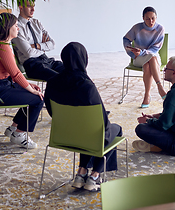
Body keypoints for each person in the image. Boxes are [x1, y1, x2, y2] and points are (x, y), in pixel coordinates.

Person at [44, 42, 123, 192]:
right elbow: (102, 122)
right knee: (114, 130)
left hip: (63, 135)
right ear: (84, 59)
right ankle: (94, 176)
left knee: (85, 130)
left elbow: (51, 111)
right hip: (88, 136)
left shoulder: (52, 82)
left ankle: (81, 173)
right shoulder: (87, 86)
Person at [0, 12, 44, 148]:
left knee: (29, 92)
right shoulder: (3, 48)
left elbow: (12, 74)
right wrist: (29, 88)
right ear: (7, 28)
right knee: (38, 99)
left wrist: (28, 85)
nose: (18, 28)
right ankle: (19, 134)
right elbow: (16, 74)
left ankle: (13, 127)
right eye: (16, 26)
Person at [123, 6, 166, 108]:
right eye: (147, 18)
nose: (151, 21)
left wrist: (142, 52)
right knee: (150, 59)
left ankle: (147, 95)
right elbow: (125, 40)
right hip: (139, 58)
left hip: (153, 56)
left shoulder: (160, 29)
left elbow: (155, 48)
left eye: (153, 18)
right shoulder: (137, 28)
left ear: (156, 17)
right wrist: (133, 53)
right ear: (143, 18)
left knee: (148, 64)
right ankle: (160, 87)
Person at [11, 0, 64, 81]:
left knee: (72, 71)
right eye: (29, 6)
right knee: (59, 79)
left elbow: (52, 44)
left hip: (46, 60)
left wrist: (37, 46)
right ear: (21, 7)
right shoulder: (17, 27)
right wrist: (43, 48)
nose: (33, 9)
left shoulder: (37, 23)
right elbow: (28, 53)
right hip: (32, 64)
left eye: (34, 6)